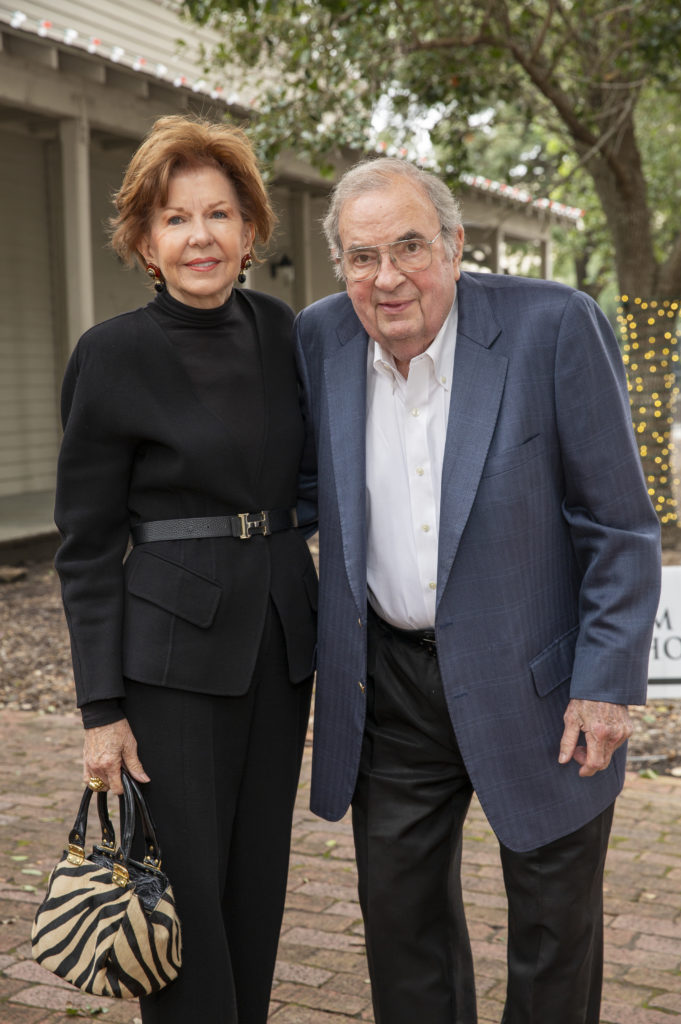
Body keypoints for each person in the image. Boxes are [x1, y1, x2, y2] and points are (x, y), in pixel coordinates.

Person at [293, 157, 661, 1024]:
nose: (387, 278)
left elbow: (618, 526)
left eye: (410, 247)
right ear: (339, 265)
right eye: (360, 256)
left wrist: (604, 684)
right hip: (389, 689)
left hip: (541, 685)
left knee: (552, 938)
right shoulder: (319, 339)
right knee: (401, 930)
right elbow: (299, 492)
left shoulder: (553, 326)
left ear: (456, 246)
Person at [54, 114, 317, 1024]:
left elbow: (315, 477)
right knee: (181, 899)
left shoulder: (285, 332)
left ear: (250, 232)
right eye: (174, 218)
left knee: (256, 885)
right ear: (142, 240)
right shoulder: (111, 354)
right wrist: (101, 711)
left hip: (281, 646)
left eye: (218, 214)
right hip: (167, 662)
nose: (199, 235)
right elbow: (85, 543)